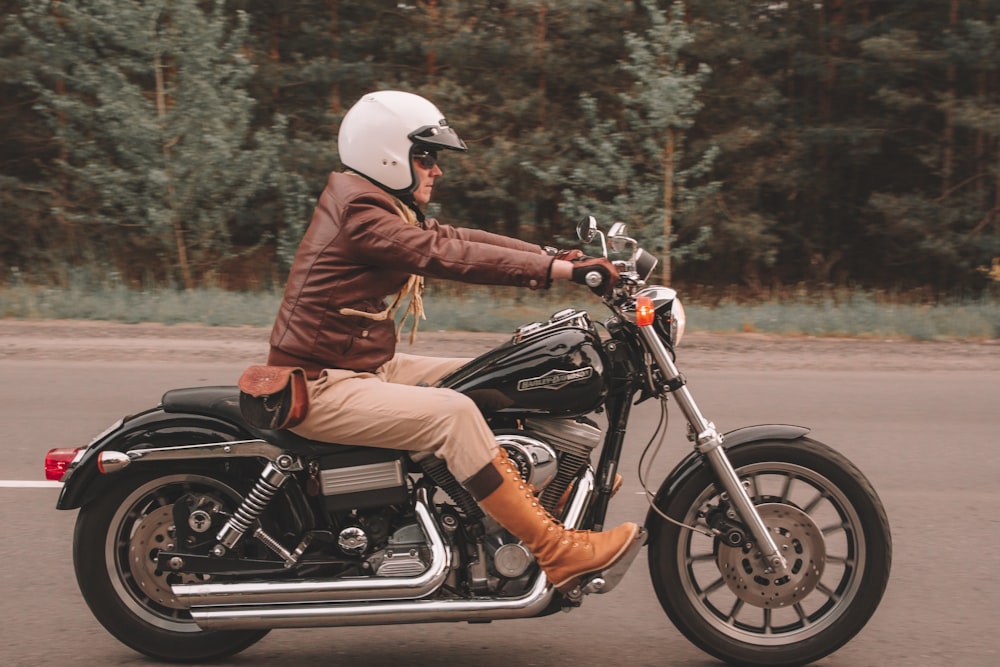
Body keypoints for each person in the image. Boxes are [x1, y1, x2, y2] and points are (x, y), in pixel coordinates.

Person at [267, 90, 639, 594]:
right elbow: (443, 253)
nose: (436, 170)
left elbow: (457, 235)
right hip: (321, 384)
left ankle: (557, 489)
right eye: (426, 156)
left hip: (361, 368)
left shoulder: (377, 201)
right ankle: (555, 551)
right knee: (454, 413)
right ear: (387, 153)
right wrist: (558, 271)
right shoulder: (361, 211)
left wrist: (557, 255)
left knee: (497, 377)